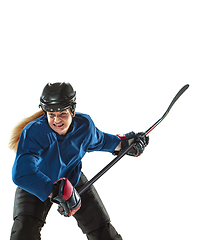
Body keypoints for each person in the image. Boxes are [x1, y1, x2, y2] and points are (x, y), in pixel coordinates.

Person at [8, 82, 149, 240]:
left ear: (72, 111)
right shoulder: (34, 132)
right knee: (23, 234)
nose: (56, 120)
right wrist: (56, 192)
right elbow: (22, 173)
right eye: (51, 114)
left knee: (103, 232)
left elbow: (101, 140)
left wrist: (126, 144)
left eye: (62, 114)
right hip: (37, 183)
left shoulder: (84, 126)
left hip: (72, 179)